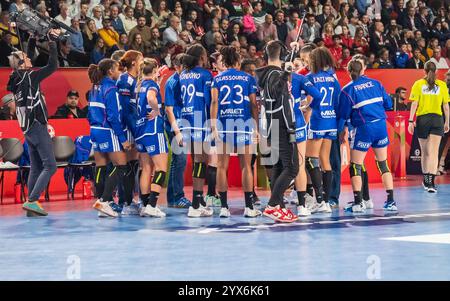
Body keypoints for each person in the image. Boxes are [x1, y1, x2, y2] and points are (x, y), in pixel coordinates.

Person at [6, 29, 61, 217]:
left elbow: (26, 57)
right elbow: (53, 65)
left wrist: (31, 39)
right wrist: (52, 42)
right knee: (50, 166)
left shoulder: (16, 77)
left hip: (27, 127)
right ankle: (32, 200)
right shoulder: (29, 77)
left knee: (37, 167)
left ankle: (32, 203)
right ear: (22, 64)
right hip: (36, 125)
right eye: (26, 58)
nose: (30, 59)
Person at [338, 59, 397, 213]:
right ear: (363, 69)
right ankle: (391, 201)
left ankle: (358, 203)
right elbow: (388, 104)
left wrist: (340, 132)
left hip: (364, 127)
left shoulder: (347, 90)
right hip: (381, 126)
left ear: (348, 71)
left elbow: (343, 116)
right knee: (383, 163)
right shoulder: (377, 83)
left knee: (356, 165)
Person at [210, 46, 261, 218]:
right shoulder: (248, 78)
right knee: (246, 166)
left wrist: (213, 125)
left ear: (224, 61)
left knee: (221, 167)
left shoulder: (217, 79)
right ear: (238, 61)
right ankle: (249, 207)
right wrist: (256, 126)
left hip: (224, 123)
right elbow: (254, 104)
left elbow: (214, 102)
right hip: (243, 123)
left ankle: (224, 208)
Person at [256, 40, 299, 223]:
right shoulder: (275, 74)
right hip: (281, 124)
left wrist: (291, 54)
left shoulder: (267, 73)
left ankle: (279, 206)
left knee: (280, 166)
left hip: (273, 125)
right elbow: (276, 89)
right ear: (280, 56)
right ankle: (273, 204)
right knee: (292, 168)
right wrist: (286, 73)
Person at [88, 59, 132, 218]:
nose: (119, 72)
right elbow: (113, 117)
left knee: (100, 166)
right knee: (121, 165)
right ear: (110, 71)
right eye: (117, 69)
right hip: (108, 130)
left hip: (94, 130)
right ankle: (105, 201)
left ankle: (100, 200)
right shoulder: (111, 89)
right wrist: (123, 138)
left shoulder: (94, 87)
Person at [179, 44, 214, 218]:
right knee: (201, 161)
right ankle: (195, 203)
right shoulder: (205, 74)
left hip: (186, 120)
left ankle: (198, 201)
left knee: (196, 160)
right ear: (201, 57)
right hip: (200, 121)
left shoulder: (183, 74)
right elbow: (209, 100)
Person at [305, 47, 341, 214]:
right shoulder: (333, 79)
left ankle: (318, 199)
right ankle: (326, 201)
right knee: (325, 162)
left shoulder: (310, 78)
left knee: (311, 160)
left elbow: (313, 99)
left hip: (317, 121)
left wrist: (307, 106)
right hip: (331, 121)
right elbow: (338, 101)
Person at [408, 61, 450, 193]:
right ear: (436, 71)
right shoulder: (442, 85)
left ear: (424, 71)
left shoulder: (418, 84)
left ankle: (427, 181)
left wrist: (410, 120)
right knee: (433, 152)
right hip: (437, 119)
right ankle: (430, 183)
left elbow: (414, 103)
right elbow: (446, 107)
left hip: (423, 120)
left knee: (425, 152)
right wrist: (447, 121)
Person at [134, 58, 168, 217]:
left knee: (146, 168)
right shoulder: (151, 86)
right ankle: (153, 205)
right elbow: (151, 98)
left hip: (140, 131)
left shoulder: (139, 85)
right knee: (161, 168)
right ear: (154, 71)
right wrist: (157, 110)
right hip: (153, 129)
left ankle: (146, 204)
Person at [290, 57, 322, 216]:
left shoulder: (272, 77)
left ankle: (278, 205)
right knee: (301, 163)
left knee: (281, 164)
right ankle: (302, 206)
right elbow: (318, 95)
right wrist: (308, 107)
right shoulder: (299, 78)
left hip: (279, 123)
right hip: (298, 122)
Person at [116, 50, 144, 215]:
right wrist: (136, 130)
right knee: (126, 165)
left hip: (135, 124)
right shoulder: (125, 79)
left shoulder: (135, 79)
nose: (142, 62)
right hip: (128, 126)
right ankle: (124, 202)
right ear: (134, 62)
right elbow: (126, 110)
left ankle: (129, 199)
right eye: (140, 59)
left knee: (133, 164)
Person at [164, 53, 192, 208]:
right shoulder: (172, 82)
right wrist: (177, 131)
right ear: (176, 67)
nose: (187, 69)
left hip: (184, 124)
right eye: (184, 66)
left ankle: (174, 198)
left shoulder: (187, 79)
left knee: (179, 161)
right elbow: (168, 110)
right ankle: (176, 197)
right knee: (179, 160)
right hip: (174, 126)